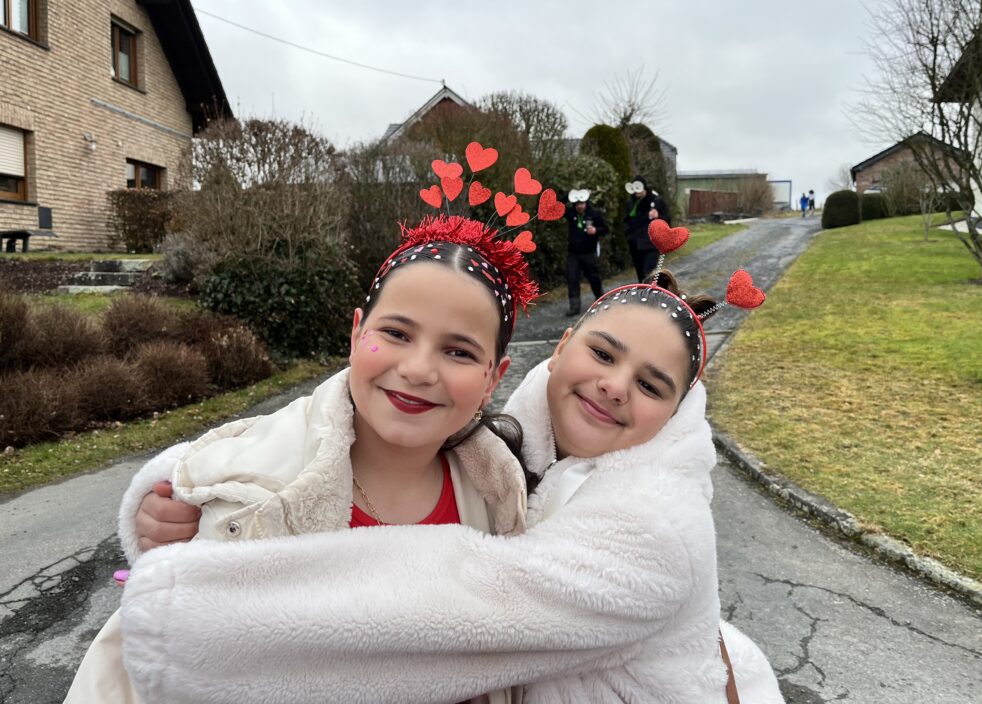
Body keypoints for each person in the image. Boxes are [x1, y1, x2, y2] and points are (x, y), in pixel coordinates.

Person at [116, 242, 783, 703]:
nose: (613, 385)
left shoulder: (650, 518)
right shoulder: (520, 460)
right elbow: (250, 452)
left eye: (650, 384)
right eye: (603, 353)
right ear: (559, 351)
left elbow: (468, 605)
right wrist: (167, 491)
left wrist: (185, 617)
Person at [64, 209, 546, 704]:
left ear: (494, 376)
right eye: (397, 334)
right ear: (358, 334)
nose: (419, 369)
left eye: (459, 352)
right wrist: (159, 506)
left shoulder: (500, 502)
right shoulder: (244, 498)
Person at [563, 188, 607, 316]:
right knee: (572, 279)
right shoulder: (571, 213)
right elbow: (557, 206)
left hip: (589, 252)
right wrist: (569, 195)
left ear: (586, 203)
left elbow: (605, 229)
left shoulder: (594, 214)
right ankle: (574, 306)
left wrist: (596, 230)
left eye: (581, 204)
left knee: (594, 277)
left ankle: (601, 299)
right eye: (577, 204)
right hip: (573, 254)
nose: (579, 206)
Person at [623, 175, 671, 281]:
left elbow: (667, 220)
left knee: (649, 272)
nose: (636, 192)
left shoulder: (656, 201)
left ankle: (650, 294)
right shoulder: (630, 203)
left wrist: (658, 216)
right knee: (640, 274)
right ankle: (643, 295)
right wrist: (629, 235)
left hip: (651, 244)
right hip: (635, 245)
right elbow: (626, 220)